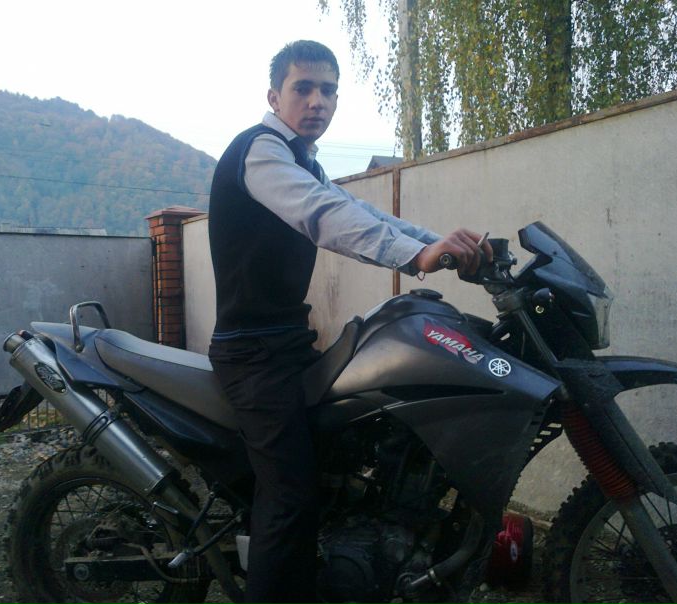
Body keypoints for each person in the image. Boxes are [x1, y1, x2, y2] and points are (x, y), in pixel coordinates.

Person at [207, 40, 492, 604]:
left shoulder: (304, 163)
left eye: (328, 90)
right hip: (252, 354)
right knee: (290, 497)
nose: (317, 101)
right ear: (274, 96)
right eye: (303, 88)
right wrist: (416, 256)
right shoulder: (260, 152)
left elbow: (364, 213)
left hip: (288, 344)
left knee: (346, 455)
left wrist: (440, 244)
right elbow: (324, 215)